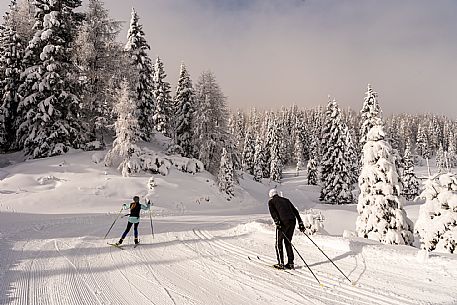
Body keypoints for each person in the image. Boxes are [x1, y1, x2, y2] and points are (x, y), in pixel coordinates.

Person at [268, 189, 305, 270]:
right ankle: (290, 263)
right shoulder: (286, 200)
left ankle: (281, 263)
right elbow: (295, 211)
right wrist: (300, 223)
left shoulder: (271, 202)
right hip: (292, 221)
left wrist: (277, 222)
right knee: (288, 242)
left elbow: (273, 213)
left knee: (279, 243)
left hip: (283, 222)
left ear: (271, 195)